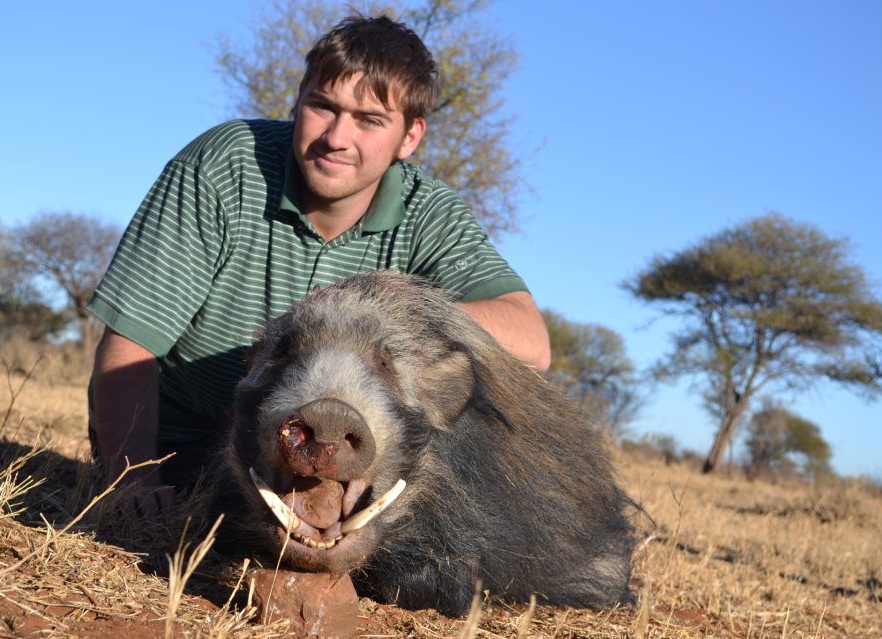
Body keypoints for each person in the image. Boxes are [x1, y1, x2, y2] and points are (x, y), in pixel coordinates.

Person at [87, 14, 550, 515]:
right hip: (181, 453)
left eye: (370, 120)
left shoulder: (430, 213)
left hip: (334, 472)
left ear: (410, 137)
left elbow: (531, 342)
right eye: (323, 107)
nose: (336, 137)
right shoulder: (224, 164)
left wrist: (395, 302)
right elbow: (131, 345)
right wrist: (134, 483)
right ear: (297, 100)